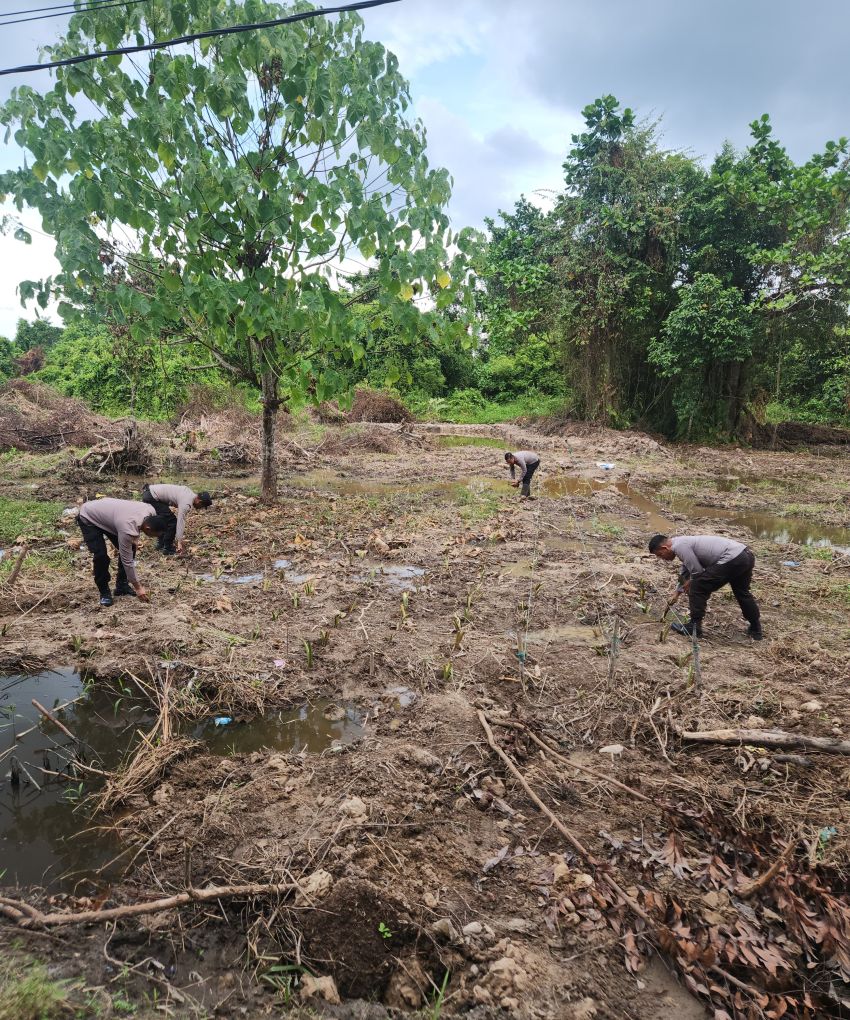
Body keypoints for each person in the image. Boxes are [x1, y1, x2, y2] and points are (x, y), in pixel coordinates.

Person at [648, 534, 762, 640]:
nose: (662, 558)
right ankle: (756, 629)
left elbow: (697, 572)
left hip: (733, 558)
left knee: (697, 586)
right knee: (742, 592)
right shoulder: (680, 543)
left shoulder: (679, 546)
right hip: (745, 555)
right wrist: (677, 593)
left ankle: (694, 627)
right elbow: (685, 572)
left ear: (664, 548)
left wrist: (689, 584)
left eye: (660, 555)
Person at [77, 498, 174, 606]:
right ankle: (104, 591)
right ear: (148, 528)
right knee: (101, 555)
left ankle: (121, 586)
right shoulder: (127, 527)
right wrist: (138, 587)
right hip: (88, 517)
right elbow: (127, 560)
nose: (155, 538)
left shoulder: (150, 511)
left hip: (110, 517)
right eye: (155, 535)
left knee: (131, 547)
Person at [140, 483, 212, 555]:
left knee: (163, 519)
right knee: (172, 522)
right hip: (152, 497)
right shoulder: (187, 503)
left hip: (149, 493)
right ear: (199, 501)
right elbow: (180, 521)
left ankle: (161, 544)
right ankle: (168, 548)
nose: (200, 508)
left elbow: (172, 497)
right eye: (202, 506)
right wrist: (179, 541)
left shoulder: (189, 493)